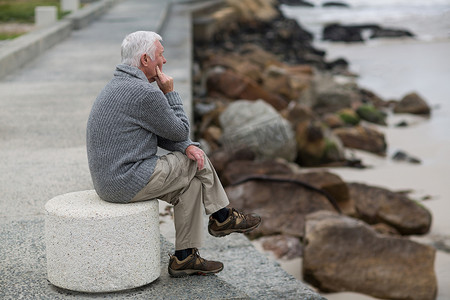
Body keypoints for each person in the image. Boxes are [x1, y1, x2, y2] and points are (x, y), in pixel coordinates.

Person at [86, 31, 261, 277]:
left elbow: (161, 132)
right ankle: (222, 216)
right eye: (160, 54)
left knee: (188, 187)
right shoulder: (144, 93)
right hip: (127, 180)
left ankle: (185, 257)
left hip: (111, 181)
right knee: (197, 158)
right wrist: (169, 93)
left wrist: (184, 145)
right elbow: (180, 130)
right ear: (146, 60)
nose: (164, 61)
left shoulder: (119, 85)